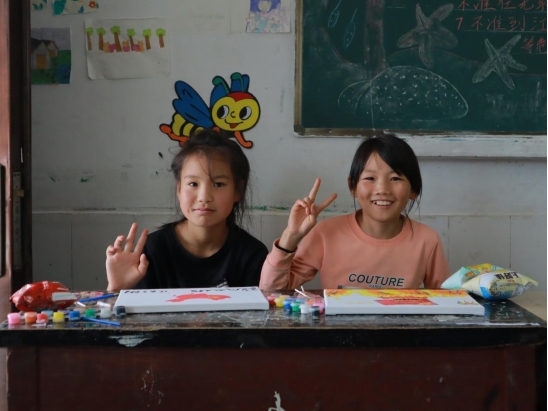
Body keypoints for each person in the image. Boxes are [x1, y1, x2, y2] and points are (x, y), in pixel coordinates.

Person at [259, 133, 450, 290]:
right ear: (353, 187)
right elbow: (271, 291)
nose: (382, 189)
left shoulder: (426, 240)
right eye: (370, 178)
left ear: (413, 190)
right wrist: (290, 237)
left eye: (395, 178)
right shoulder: (326, 233)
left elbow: (447, 300)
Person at [106, 129, 268, 291]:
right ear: (179, 189)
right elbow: (128, 307)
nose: (204, 197)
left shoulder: (252, 254)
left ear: (238, 191)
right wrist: (117, 289)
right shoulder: (151, 251)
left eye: (218, 184)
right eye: (193, 184)